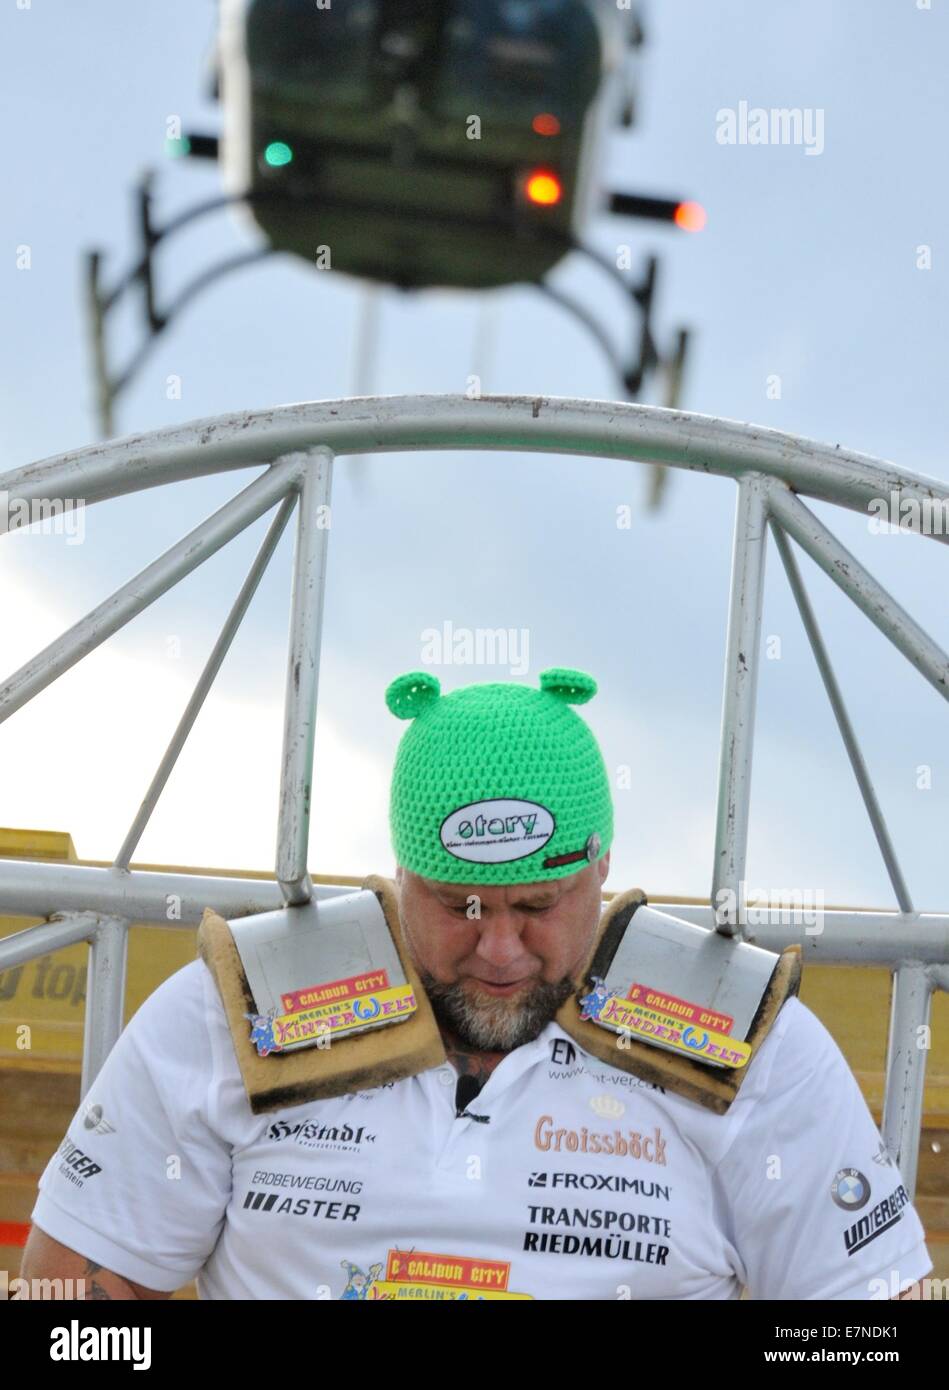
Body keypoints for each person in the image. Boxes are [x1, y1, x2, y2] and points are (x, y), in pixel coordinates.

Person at [22, 668, 933, 1300]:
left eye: (536, 905)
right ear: (398, 875)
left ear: (601, 869)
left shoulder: (747, 1041)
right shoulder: (234, 1012)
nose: (499, 949)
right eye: (459, 907)